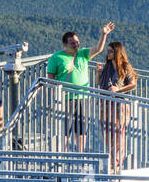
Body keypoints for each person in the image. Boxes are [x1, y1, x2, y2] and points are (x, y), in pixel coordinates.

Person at [47, 23, 114, 151]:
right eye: (72, 43)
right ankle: (63, 156)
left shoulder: (83, 54)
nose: (76, 45)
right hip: (66, 98)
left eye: (77, 42)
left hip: (83, 97)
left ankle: (81, 155)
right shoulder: (56, 57)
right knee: (65, 129)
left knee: (82, 129)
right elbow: (50, 78)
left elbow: (98, 49)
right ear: (65, 44)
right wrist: (56, 94)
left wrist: (104, 34)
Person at [97, 41, 137, 172]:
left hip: (119, 104)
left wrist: (118, 90)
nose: (107, 53)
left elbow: (133, 84)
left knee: (118, 133)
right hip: (106, 103)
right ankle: (111, 161)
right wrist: (98, 72)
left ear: (117, 53)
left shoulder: (125, 67)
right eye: (107, 51)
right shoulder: (106, 66)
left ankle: (117, 164)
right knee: (107, 133)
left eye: (110, 51)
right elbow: (99, 83)